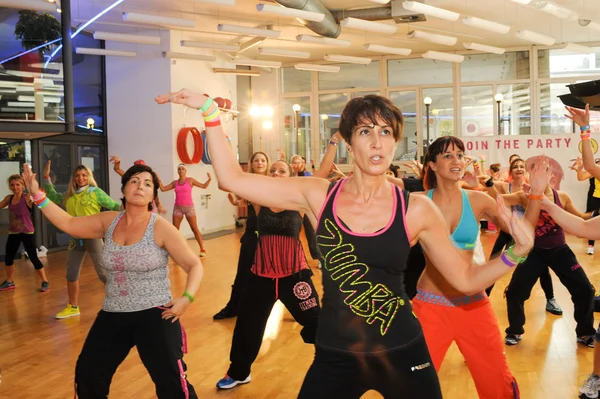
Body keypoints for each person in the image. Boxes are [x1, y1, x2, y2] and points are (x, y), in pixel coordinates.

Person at [155, 89, 535, 398]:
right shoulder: (319, 195)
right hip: (337, 354)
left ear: (396, 144)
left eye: (386, 132)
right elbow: (231, 178)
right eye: (366, 131)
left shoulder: (416, 210)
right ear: (349, 142)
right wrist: (208, 111)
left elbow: (467, 280)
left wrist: (516, 252)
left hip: (403, 349)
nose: (377, 142)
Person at [22, 163, 202, 398]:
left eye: (147, 184)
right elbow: (68, 223)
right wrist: (37, 195)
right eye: (134, 181)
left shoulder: (161, 228)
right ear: (124, 189)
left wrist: (186, 298)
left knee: (172, 384)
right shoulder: (109, 221)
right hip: (114, 312)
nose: (140, 186)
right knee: (88, 374)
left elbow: (194, 265)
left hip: (155, 314)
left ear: (153, 195)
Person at [411, 136, 545, 399]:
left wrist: (537, 193)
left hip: (473, 305)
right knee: (412, 385)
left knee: (498, 384)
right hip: (430, 307)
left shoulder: (478, 200)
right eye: (447, 155)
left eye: (460, 155)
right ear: (432, 165)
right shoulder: (415, 202)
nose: (456, 160)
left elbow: (525, 234)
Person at [215, 160, 321, 389]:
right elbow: (226, 182)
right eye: (272, 170)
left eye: (281, 171)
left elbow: (321, 184)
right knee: (247, 326)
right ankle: (239, 372)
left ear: (291, 176)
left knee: (317, 322)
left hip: (295, 276)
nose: (275, 173)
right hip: (261, 275)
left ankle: (334, 366)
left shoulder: (300, 201)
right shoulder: (258, 200)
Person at [486, 154, 596, 347]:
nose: (541, 175)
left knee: (585, 290)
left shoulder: (562, 197)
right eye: (536, 170)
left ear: (550, 174)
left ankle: (585, 332)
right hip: (533, 252)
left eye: (546, 170)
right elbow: (497, 199)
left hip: (559, 250)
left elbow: (580, 218)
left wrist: (595, 213)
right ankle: (515, 330)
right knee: (514, 292)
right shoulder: (523, 196)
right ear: (531, 175)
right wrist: (487, 182)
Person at [483, 158, 563, 315]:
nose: (519, 169)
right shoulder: (506, 186)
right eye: (515, 167)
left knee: (541, 268)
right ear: (511, 172)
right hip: (507, 231)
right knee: (493, 262)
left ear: (525, 171)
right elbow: (496, 199)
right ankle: (484, 298)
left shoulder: (531, 188)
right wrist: (489, 183)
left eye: (521, 166)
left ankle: (550, 299)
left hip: (525, 233)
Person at [44, 161, 122, 319]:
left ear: (89, 177)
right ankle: (73, 307)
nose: (81, 178)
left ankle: (121, 303)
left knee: (103, 273)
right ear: (74, 178)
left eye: (84, 175)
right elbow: (53, 197)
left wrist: (131, 206)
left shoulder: (95, 192)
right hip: (75, 238)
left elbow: (114, 205)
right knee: (71, 274)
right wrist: (46, 177)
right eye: (78, 176)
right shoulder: (70, 195)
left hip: (93, 237)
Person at [213, 151, 271, 320]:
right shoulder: (246, 182)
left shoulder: (273, 183)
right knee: (243, 272)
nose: (260, 163)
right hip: (252, 233)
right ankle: (234, 307)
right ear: (251, 164)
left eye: (263, 160)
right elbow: (228, 189)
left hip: (271, 232)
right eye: (256, 160)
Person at [0, 174, 49, 292]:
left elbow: (40, 198)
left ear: (22, 185)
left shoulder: (27, 197)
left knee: (33, 257)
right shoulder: (9, 198)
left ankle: (45, 281)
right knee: (9, 257)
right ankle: (9, 281)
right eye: (12, 185)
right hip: (14, 232)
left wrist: (40, 191)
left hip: (27, 232)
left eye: (18, 184)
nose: (15, 187)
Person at [157, 165, 211, 257]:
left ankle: (202, 248)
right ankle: (174, 250)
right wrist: (158, 179)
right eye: (179, 169)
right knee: (175, 231)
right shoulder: (175, 183)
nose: (181, 170)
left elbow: (203, 186)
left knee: (194, 229)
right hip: (178, 208)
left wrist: (209, 179)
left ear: (185, 171)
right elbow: (163, 189)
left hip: (189, 208)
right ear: (177, 171)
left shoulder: (190, 180)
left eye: (182, 169)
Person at [571, 156, 600, 255]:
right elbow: (581, 177)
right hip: (596, 198)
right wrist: (579, 170)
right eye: (597, 163)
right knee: (592, 221)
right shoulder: (593, 172)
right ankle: (591, 246)